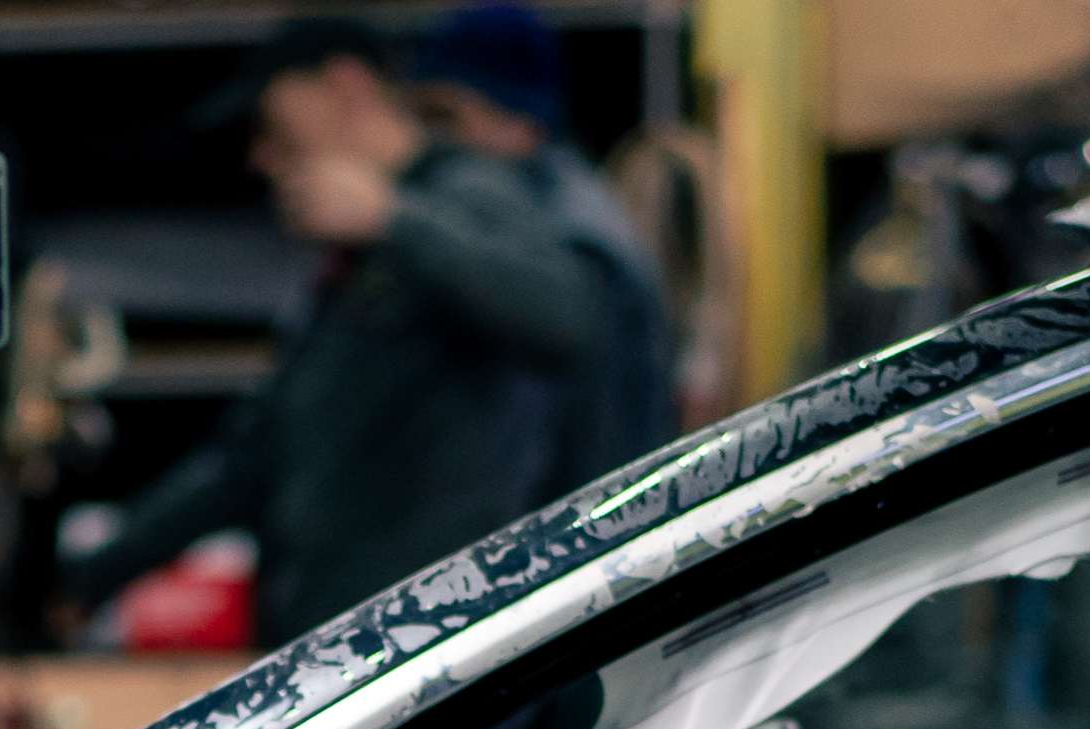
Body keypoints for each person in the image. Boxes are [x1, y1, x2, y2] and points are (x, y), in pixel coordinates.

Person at [58, 15, 611, 647]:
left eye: (272, 122)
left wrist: (393, 221)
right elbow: (258, 455)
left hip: (434, 648)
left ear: (344, 85)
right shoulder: (350, 263)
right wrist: (97, 572)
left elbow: (565, 316)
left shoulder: (468, 194)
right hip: (343, 650)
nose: (262, 155)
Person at [405, 0, 679, 487]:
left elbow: (604, 451)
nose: (431, 142)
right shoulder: (524, 216)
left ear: (520, 119)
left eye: (446, 118)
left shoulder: (578, 242)